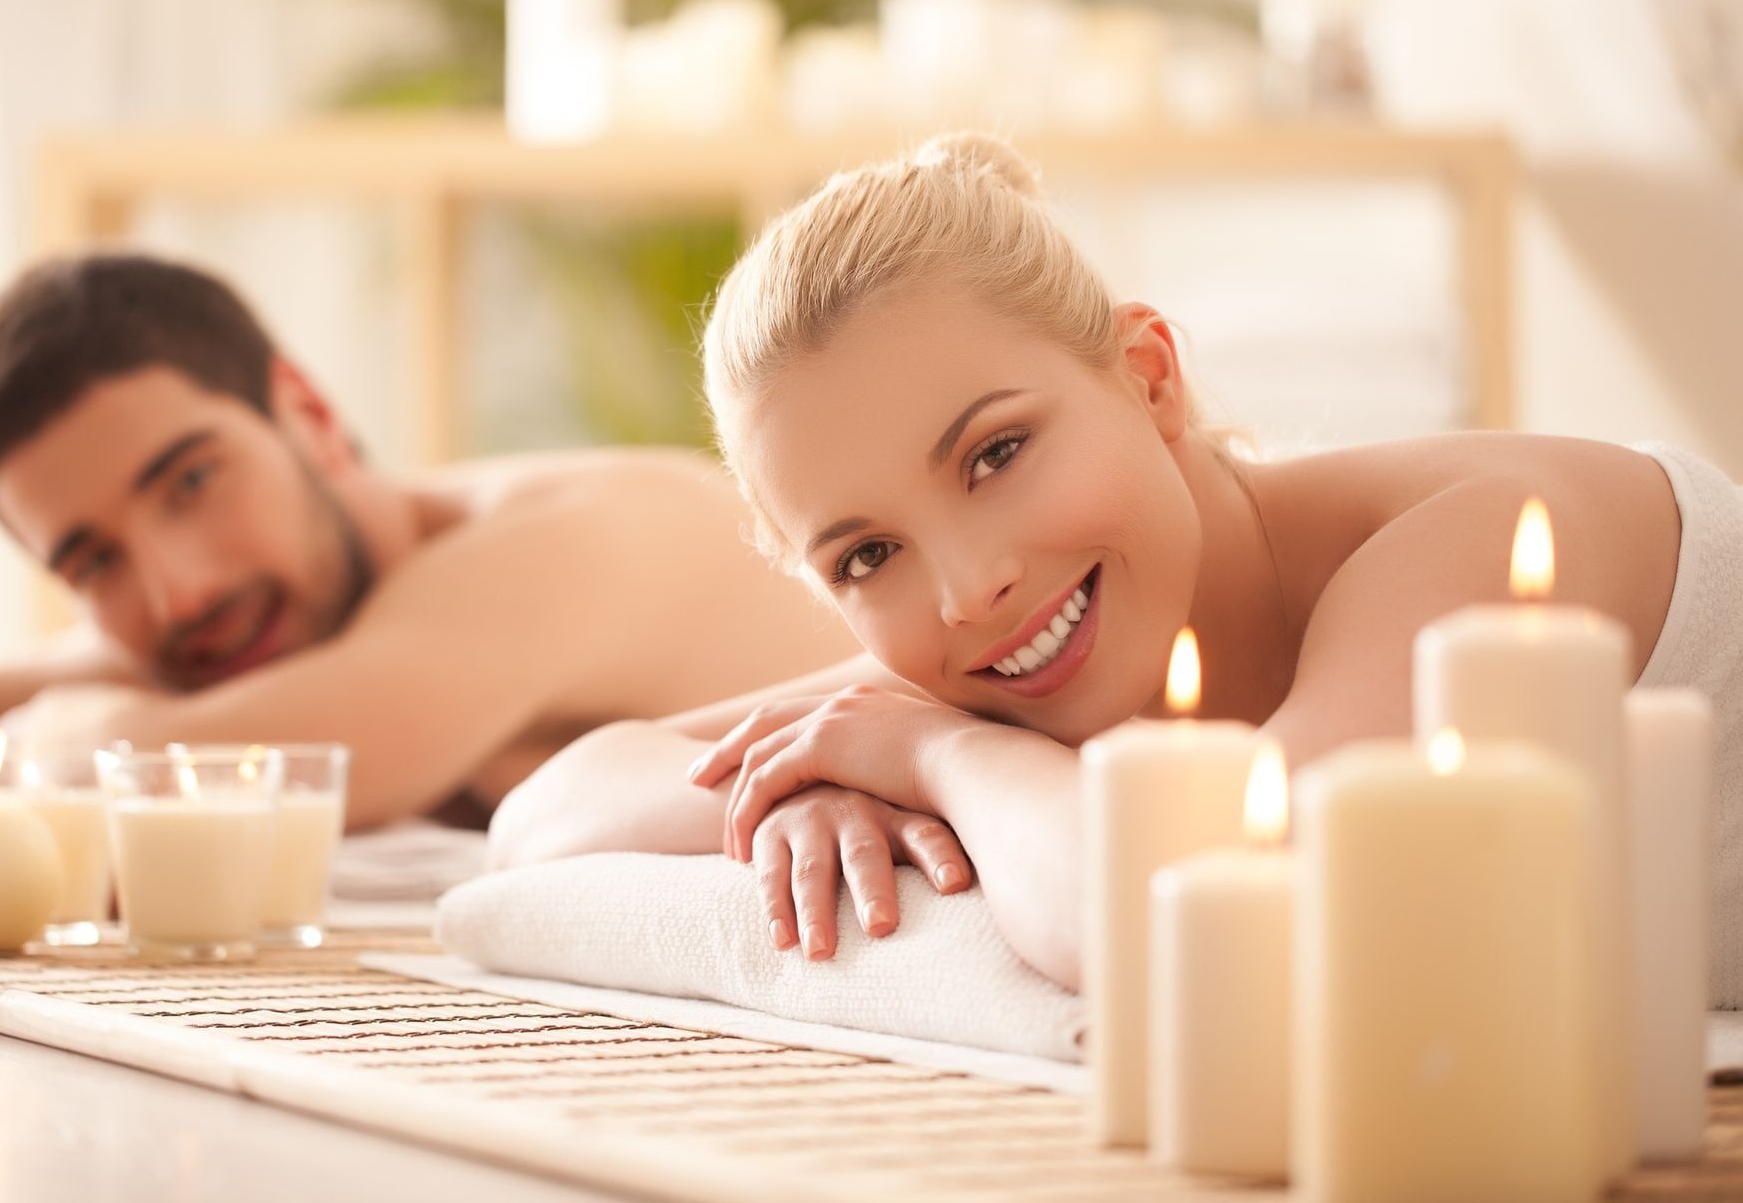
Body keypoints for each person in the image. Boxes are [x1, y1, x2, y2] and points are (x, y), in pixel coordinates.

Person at [491, 132, 1743, 1006]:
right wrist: (802, 790)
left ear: (1149, 375)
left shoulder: (1474, 538)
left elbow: (1177, 922)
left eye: (996, 454)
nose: (968, 585)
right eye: (867, 552)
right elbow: (544, 811)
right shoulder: (991, 637)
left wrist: (941, 760)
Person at [0, 253, 861, 873]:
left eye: (190, 481)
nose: (176, 589)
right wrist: (40, 754)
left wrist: (72, 749)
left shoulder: (559, 546)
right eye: (93, 559)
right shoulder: (231, 637)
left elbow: (141, 794)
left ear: (309, 414)